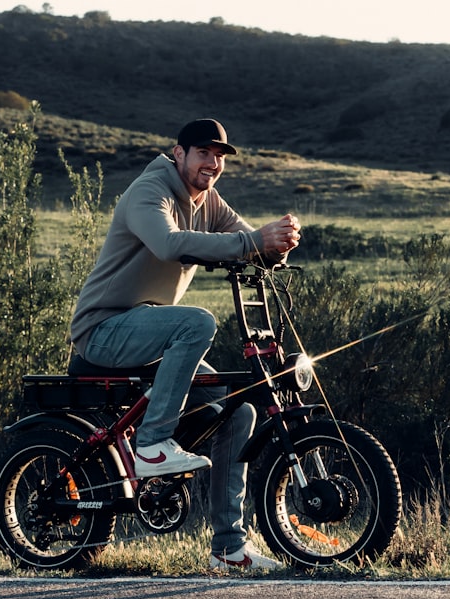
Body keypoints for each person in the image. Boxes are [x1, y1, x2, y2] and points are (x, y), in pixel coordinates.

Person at [69, 118, 301, 571]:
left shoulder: (207, 200)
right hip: (104, 328)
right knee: (197, 322)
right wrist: (252, 240)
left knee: (237, 409)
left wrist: (279, 243)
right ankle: (152, 445)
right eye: (203, 153)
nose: (212, 163)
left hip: (148, 331)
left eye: (219, 156)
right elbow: (168, 243)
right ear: (179, 154)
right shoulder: (148, 191)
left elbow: (247, 239)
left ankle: (228, 549)